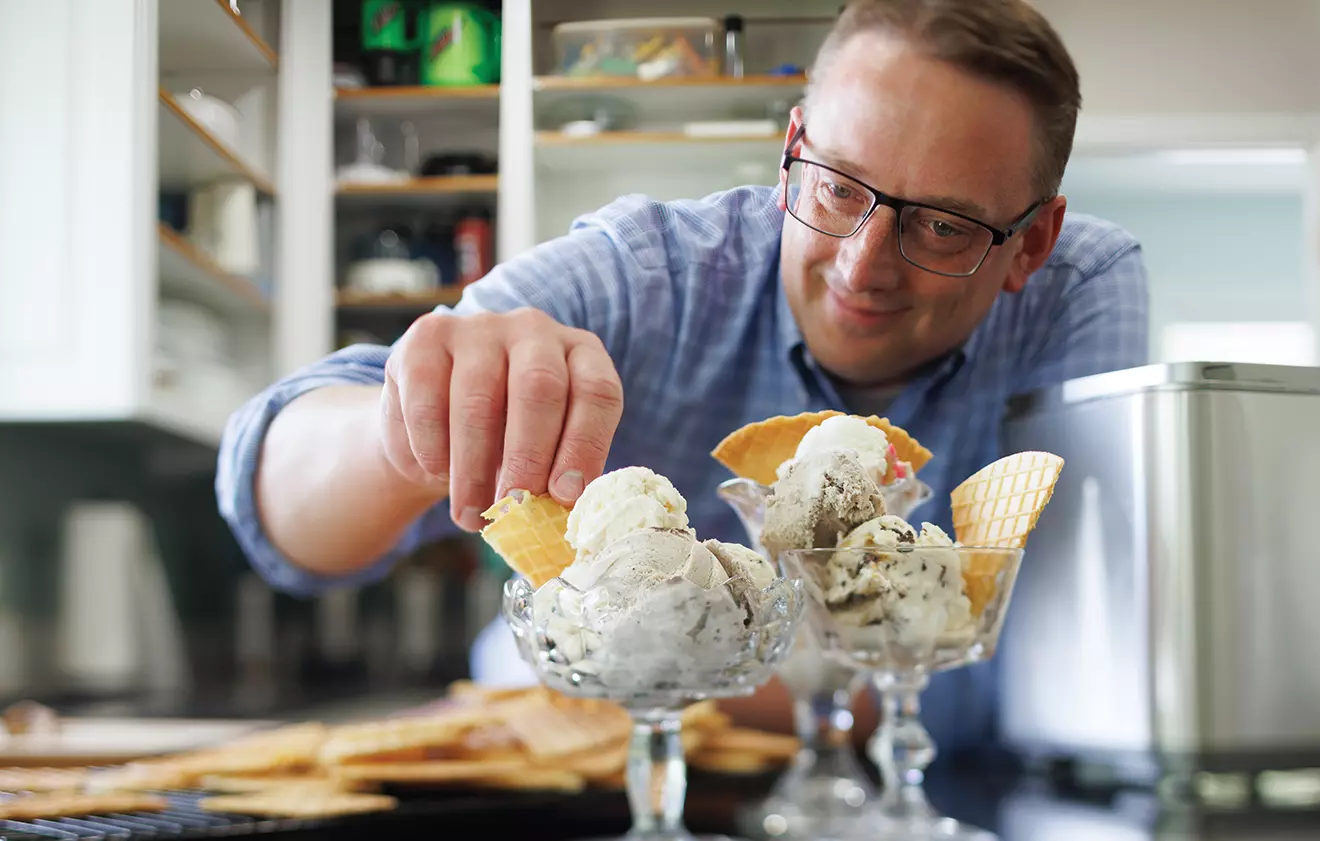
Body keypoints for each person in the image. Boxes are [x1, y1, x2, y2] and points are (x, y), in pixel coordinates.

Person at [216, 0, 1148, 763]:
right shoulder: (648, 273)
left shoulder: (1078, 292)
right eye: (834, 187)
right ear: (790, 149)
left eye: (943, 226)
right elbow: (279, 513)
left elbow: (1060, 668)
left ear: (1029, 243)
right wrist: (404, 428)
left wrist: (642, 668)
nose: (863, 267)